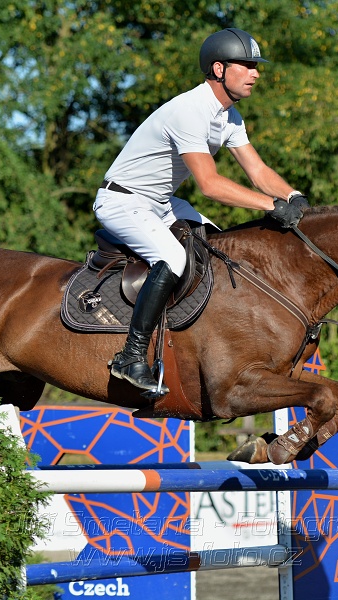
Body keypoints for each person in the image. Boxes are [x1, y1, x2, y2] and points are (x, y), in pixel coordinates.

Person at [93, 27, 310, 395]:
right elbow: (209, 184)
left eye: (256, 65)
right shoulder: (189, 110)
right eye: (247, 65)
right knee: (174, 259)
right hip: (122, 200)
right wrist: (270, 206)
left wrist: (293, 195)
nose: (256, 73)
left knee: (220, 248)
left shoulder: (229, 117)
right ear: (220, 69)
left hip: (159, 202)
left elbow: (256, 171)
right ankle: (130, 357)